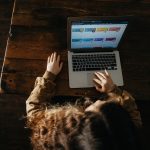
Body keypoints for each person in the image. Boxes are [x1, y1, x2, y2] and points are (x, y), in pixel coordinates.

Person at [26, 52, 142, 150]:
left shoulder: (59, 137)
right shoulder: (129, 134)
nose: (99, 101)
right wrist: (113, 90)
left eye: (94, 108)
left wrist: (49, 76)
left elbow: (34, 112)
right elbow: (133, 115)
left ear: (81, 126)